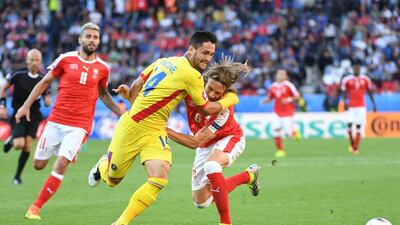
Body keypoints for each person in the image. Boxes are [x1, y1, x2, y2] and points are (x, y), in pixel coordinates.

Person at [87, 31, 239, 225]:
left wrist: (134, 102)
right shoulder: (192, 75)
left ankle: (121, 222)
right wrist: (231, 99)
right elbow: (206, 108)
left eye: (211, 54)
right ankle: (102, 165)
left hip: (155, 129)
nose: (208, 59)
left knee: (159, 177)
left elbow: (137, 85)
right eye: (205, 53)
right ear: (191, 49)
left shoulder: (163, 61)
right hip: (132, 129)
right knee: (113, 180)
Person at [15, 23, 123, 220]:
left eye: (95, 37)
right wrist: (25, 106)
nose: (92, 40)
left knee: (61, 163)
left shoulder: (103, 68)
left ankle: (35, 207)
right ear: (80, 39)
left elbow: (103, 94)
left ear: (99, 41)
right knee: (38, 165)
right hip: (56, 121)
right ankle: (53, 154)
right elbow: (44, 82)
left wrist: (121, 113)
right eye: (88, 36)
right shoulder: (65, 59)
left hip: (80, 126)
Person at [166, 58, 260, 225]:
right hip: (205, 144)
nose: (212, 95)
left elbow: (194, 141)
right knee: (201, 202)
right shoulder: (191, 88)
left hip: (230, 138)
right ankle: (248, 176)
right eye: (210, 89)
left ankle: (225, 222)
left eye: (218, 93)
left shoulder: (223, 110)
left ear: (224, 93)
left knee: (212, 166)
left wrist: (162, 129)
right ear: (204, 81)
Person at [0, 49, 52, 185]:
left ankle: (17, 177)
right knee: (19, 145)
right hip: (19, 114)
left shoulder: (43, 78)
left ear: (40, 62)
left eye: (37, 60)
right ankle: (12, 140)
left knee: (27, 147)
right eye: (32, 60)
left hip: (34, 116)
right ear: (27, 60)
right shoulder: (17, 74)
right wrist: (3, 106)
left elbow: (47, 96)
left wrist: (47, 101)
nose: (34, 63)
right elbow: (3, 89)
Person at [262, 69, 301, 158]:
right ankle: (280, 151)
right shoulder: (273, 86)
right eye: (279, 74)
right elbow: (270, 97)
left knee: (289, 133)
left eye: (282, 74)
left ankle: (294, 132)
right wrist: (266, 101)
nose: (280, 76)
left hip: (287, 112)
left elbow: (297, 95)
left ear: (285, 76)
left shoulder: (289, 85)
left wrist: (289, 99)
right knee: (274, 130)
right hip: (276, 112)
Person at [340, 62, 376, 154]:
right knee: (349, 125)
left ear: (360, 69)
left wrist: (374, 104)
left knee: (358, 126)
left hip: (361, 107)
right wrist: (344, 103)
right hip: (350, 106)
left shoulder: (365, 79)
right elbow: (343, 92)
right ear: (353, 69)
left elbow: (369, 92)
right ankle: (352, 143)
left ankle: (355, 147)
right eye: (355, 68)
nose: (357, 69)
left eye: (358, 68)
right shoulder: (347, 80)